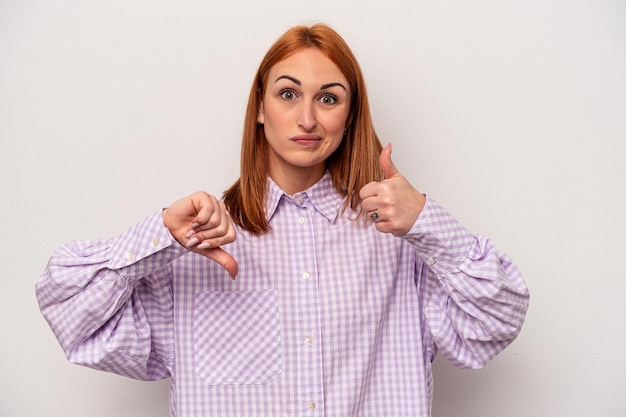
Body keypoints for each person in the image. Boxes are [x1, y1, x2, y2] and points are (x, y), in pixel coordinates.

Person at [36, 23, 529, 417]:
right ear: (260, 108)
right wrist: (162, 233)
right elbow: (73, 320)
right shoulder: (197, 246)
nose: (308, 119)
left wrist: (426, 221)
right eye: (288, 94)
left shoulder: (398, 242)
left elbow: (495, 323)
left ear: (351, 117)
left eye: (329, 98)